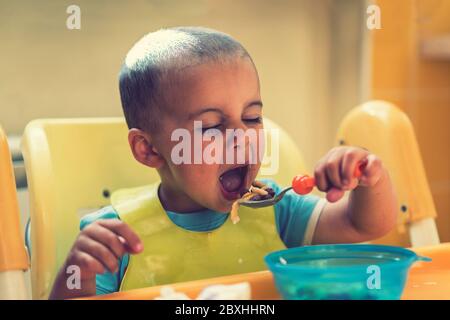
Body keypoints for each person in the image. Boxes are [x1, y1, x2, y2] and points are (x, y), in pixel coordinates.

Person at [49, 27, 397, 299]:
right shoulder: (115, 235)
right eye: (213, 126)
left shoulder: (276, 211)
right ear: (149, 150)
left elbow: (363, 224)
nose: (241, 137)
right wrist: (75, 274)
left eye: (252, 117)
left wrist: (368, 177)